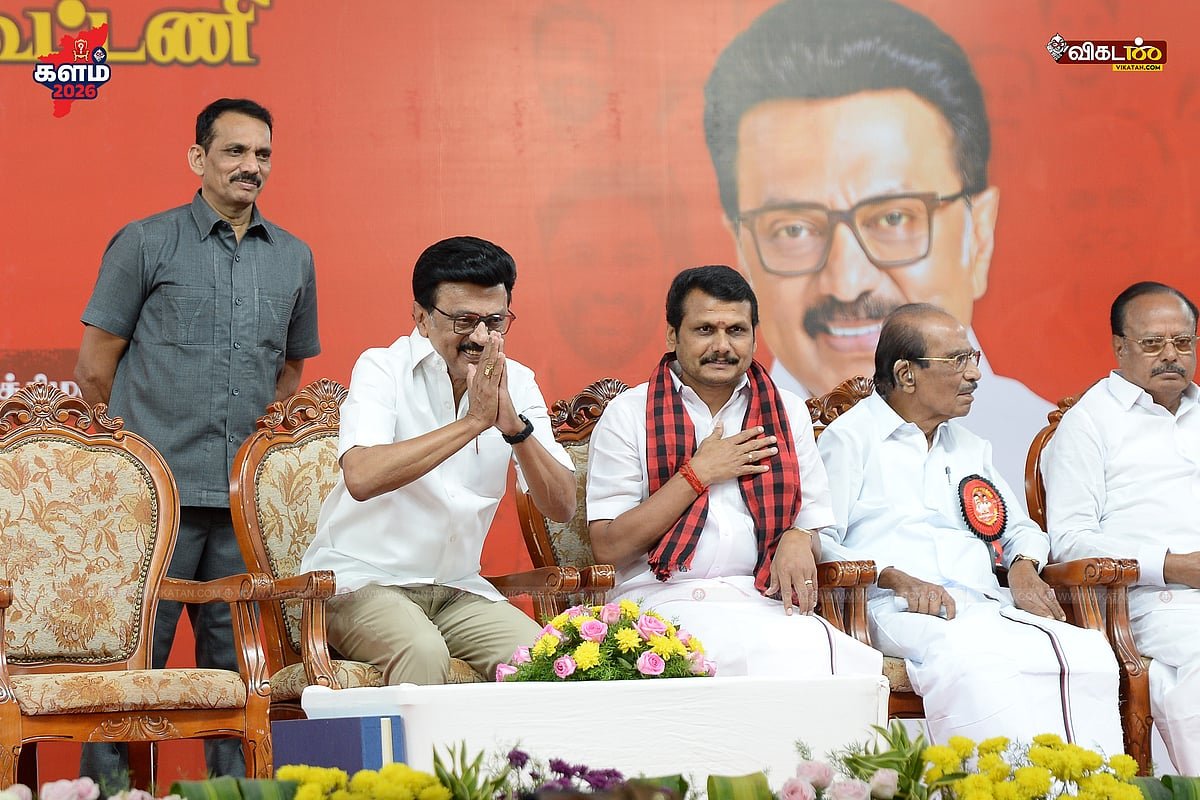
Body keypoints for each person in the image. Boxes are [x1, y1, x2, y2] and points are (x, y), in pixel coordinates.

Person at [702, 0, 1051, 501]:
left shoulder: (1047, 454)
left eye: (894, 218)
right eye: (793, 228)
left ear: (979, 236)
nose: (847, 282)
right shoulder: (706, 451)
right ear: (743, 253)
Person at [74, 97, 320, 783]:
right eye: (235, 151)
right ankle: (108, 794)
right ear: (198, 157)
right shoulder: (145, 242)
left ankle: (232, 795)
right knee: (130, 670)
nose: (251, 166)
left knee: (236, 675)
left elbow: (290, 367)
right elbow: (94, 367)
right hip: (154, 505)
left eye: (262, 154)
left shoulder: (294, 257)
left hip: (241, 507)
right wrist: (135, 466)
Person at [817, 303, 1122, 748]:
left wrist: (1022, 568)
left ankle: (1089, 781)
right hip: (895, 608)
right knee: (975, 659)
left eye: (972, 358)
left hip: (982, 603)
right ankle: (996, 780)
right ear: (906, 374)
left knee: (1088, 653)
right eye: (957, 360)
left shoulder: (969, 447)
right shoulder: (849, 439)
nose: (975, 374)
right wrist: (894, 576)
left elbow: (1021, 531)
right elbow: (819, 539)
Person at [301, 236, 576, 685]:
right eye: (464, 321)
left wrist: (514, 428)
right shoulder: (382, 369)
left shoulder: (518, 382)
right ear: (421, 318)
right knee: (422, 650)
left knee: (547, 660)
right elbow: (362, 476)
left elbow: (561, 506)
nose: (481, 337)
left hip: (458, 589)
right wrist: (473, 422)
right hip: (361, 583)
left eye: (495, 321)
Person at [586, 265, 882, 677]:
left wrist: (800, 537)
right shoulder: (629, 415)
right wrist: (697, 475)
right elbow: (608, 547)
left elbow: (813, 524)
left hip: (764, 599)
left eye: (736, 331)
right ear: (672, 335)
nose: (722, 346)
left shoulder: (786, 411)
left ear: (755, 338)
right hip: (664, 603)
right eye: (705, 330)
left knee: (844, 669)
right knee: (749, 661)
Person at [1043, 281, 1200, 773]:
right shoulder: (1089, 423)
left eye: (1183, 342)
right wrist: (1171, 566)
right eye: (1153, 343)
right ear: (1120, 347)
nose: (1171, 355)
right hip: (1154, 599)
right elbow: (1070, 540)